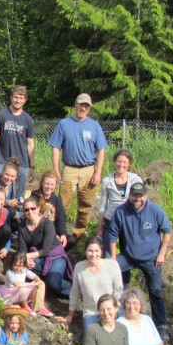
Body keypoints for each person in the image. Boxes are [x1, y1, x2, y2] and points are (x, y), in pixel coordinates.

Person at [108, 181, 172, 331]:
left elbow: (167, 232)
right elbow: (112, 234)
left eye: (140, 195)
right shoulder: (121, 211)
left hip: (151, 258)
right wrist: (112, 257)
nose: (138, 198)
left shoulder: (155, 210)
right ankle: (116, 317)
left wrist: (162, 254)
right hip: (128, 256)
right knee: (115, 282)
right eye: (134, 195)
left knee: (155, 291)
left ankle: (160, 325)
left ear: (146, 196)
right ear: (129, 195)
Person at [49, 93, 108, 239]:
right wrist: (56, 170)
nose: (83, 108)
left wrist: (98, 172)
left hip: (89, 170)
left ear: (89, 108)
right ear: (75, 105)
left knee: (85, 206)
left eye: (86, 106)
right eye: (81, 104)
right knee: (62, 205)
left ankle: (78, 236)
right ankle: (58, 234)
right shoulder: (64, 124)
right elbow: (55, 147)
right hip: (69, 170)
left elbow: (101, 150)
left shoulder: (94, 125)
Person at [16, 196, 70, 301]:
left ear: (38, 209)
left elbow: (46, 250)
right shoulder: (22, 226)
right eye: (26, 210)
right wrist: (26, 259)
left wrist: (26, 256)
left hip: (55, 255)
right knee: (21, 269)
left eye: (33, 208)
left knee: (53, 282)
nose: (30, 212)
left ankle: (74, 291)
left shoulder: (47, 224)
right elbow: (22, 248)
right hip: (37, 256)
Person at [62, 237, 123, 330]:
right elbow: (75, 292)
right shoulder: (79, 268)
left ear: (101, 252)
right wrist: (70, 314)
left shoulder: (112, 265)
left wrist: (113, 309)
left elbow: (118, 290)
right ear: (85, 251)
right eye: (90, 251)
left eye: (96, 251)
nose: (93, 254)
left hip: (111, 310)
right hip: (92, 312)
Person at [0, 86, 35, 201]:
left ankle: (16, 216)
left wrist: (32, 166)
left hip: (22, 165)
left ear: (25, 100)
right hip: (3, 162)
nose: (17, 100)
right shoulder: (1, 116)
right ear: (11, 98)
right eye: (15, 97)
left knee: (19, 198)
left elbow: (30, 144)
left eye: (21, 98)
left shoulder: (28, 120)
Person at [97, 150, 142, 247]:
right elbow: (102, 207)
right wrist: (100, 230)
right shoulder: (107, 181)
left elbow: (142, 202)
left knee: (128, 251)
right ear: (114, 162)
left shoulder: (136, 180)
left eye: (124, 162)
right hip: (111, 220)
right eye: (119, 161)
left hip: (130, 219)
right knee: (107, 255)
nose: (121, 165)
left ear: (129, 164)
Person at [30, 170, 74, 251]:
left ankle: (56, 254)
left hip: (53, 232)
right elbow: (32, 220)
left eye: (52, 184)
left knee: (70, 240)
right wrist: (52, 235)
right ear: (42, 183)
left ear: (55, 185)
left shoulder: (56, 200)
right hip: (38, 232)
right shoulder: (34, 198)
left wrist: (62, 234)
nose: (49, 187)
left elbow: (61, 219)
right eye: (46, 184)